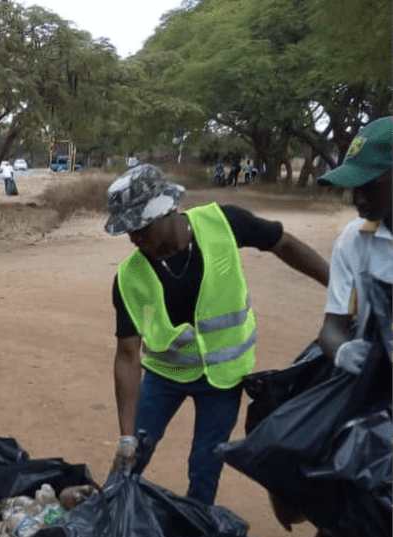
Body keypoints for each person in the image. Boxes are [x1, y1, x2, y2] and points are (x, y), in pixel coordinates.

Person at [107, 163, 329, 504]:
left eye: (139, 227)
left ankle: (197, 535)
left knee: (204, 466)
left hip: (222, 381)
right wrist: (125, 437)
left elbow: (282, 242)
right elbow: (127, 355)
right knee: (132, 457)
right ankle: (108, 519)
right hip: (165, 375)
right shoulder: (129, 277)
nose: (133, 238)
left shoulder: (223, 223)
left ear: (167, 211)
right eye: (127, 231)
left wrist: (338, 285)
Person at [283, 116, 393, 537]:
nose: (358, 195)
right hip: (366, 395)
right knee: (338, 513)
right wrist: (342, 348)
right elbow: (332, 324)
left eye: (372, 181)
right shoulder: (358, 240)